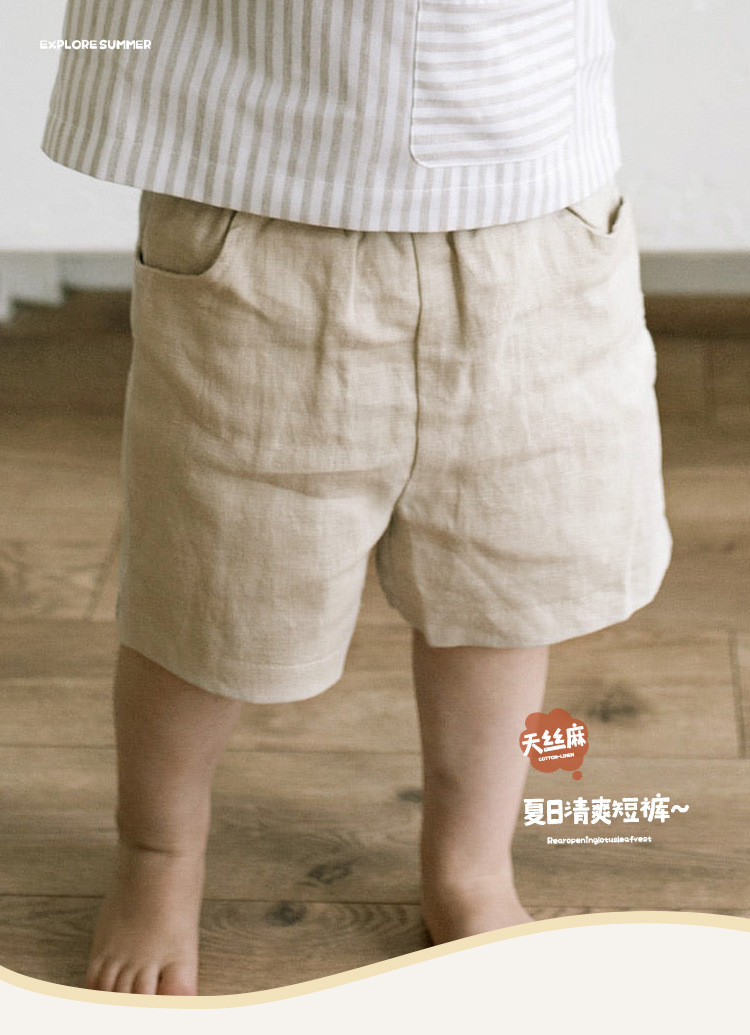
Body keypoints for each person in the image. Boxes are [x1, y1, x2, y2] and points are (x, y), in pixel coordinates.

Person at [41, 0, 673, 997]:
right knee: (210, 592)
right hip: (260, 195)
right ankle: (158, 851)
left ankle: (472, 864)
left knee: (504, 584)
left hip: (531, 200)